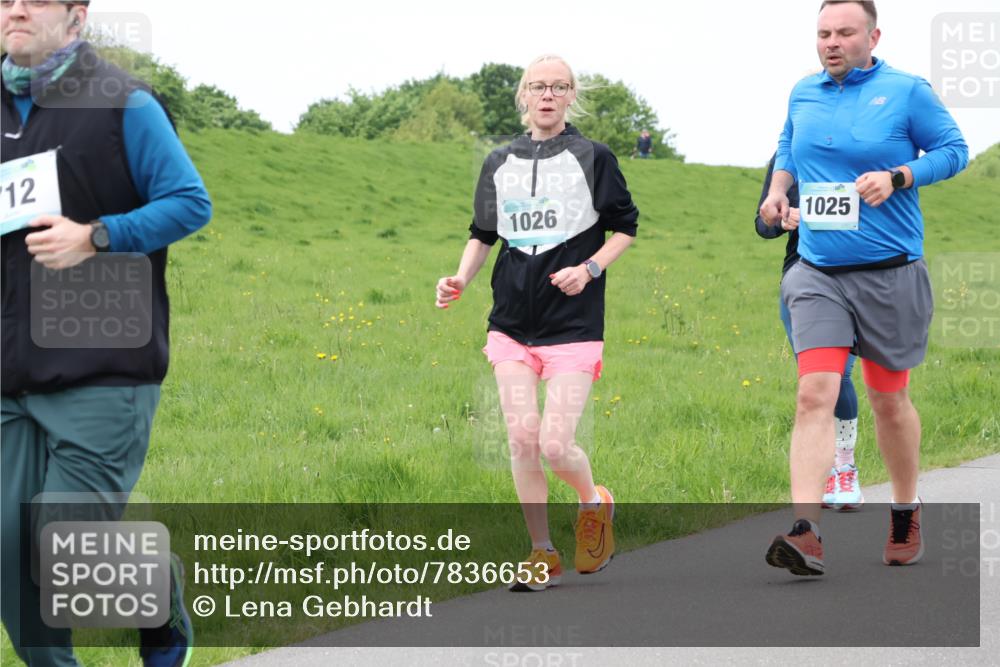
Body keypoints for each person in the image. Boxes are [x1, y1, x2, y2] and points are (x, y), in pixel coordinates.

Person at [1, 0, 211, 664]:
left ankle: (159, 597)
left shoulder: (123, 102)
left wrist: (97, 235)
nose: (16, 9)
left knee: (62, 542)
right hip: (9, 366)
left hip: (103, 362)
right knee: (8, 548)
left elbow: (188, 200)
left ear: (76, 15)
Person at [759, 0, 967, 576]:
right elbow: (787, 148)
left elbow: (954, 151)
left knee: (887, 400)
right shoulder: (803, 91)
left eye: (845, 32)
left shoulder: (907, 91)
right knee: (814, 394)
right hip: (818, 272)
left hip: (891, 274)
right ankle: (806, 530)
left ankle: (904, 510)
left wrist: (898, 176)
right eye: (823, 33)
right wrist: (777, 194)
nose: (832, 42)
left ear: (872, 35)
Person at [435, 54, 638, 592]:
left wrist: (590, 268)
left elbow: (625, 228)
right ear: (523, 97)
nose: (547, 95)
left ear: (571, 97)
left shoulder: (594, 157)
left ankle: (594, 502)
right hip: (509, 324)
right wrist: (459, 279)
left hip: (573, 326)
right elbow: (483, 233)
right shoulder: (498, 161)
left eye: (559, 87)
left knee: (554, 443)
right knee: (522, 438)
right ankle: (541, 551)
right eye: (537, 87)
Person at [755, 155, 863, 511]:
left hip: (857, 274)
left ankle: (844, 465)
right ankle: (825, 476)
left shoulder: (863, 151)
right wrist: (781, 218)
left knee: (840, 375)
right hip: (802, 277)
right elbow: (762, 222)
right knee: (817, 380)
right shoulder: (788, 158)